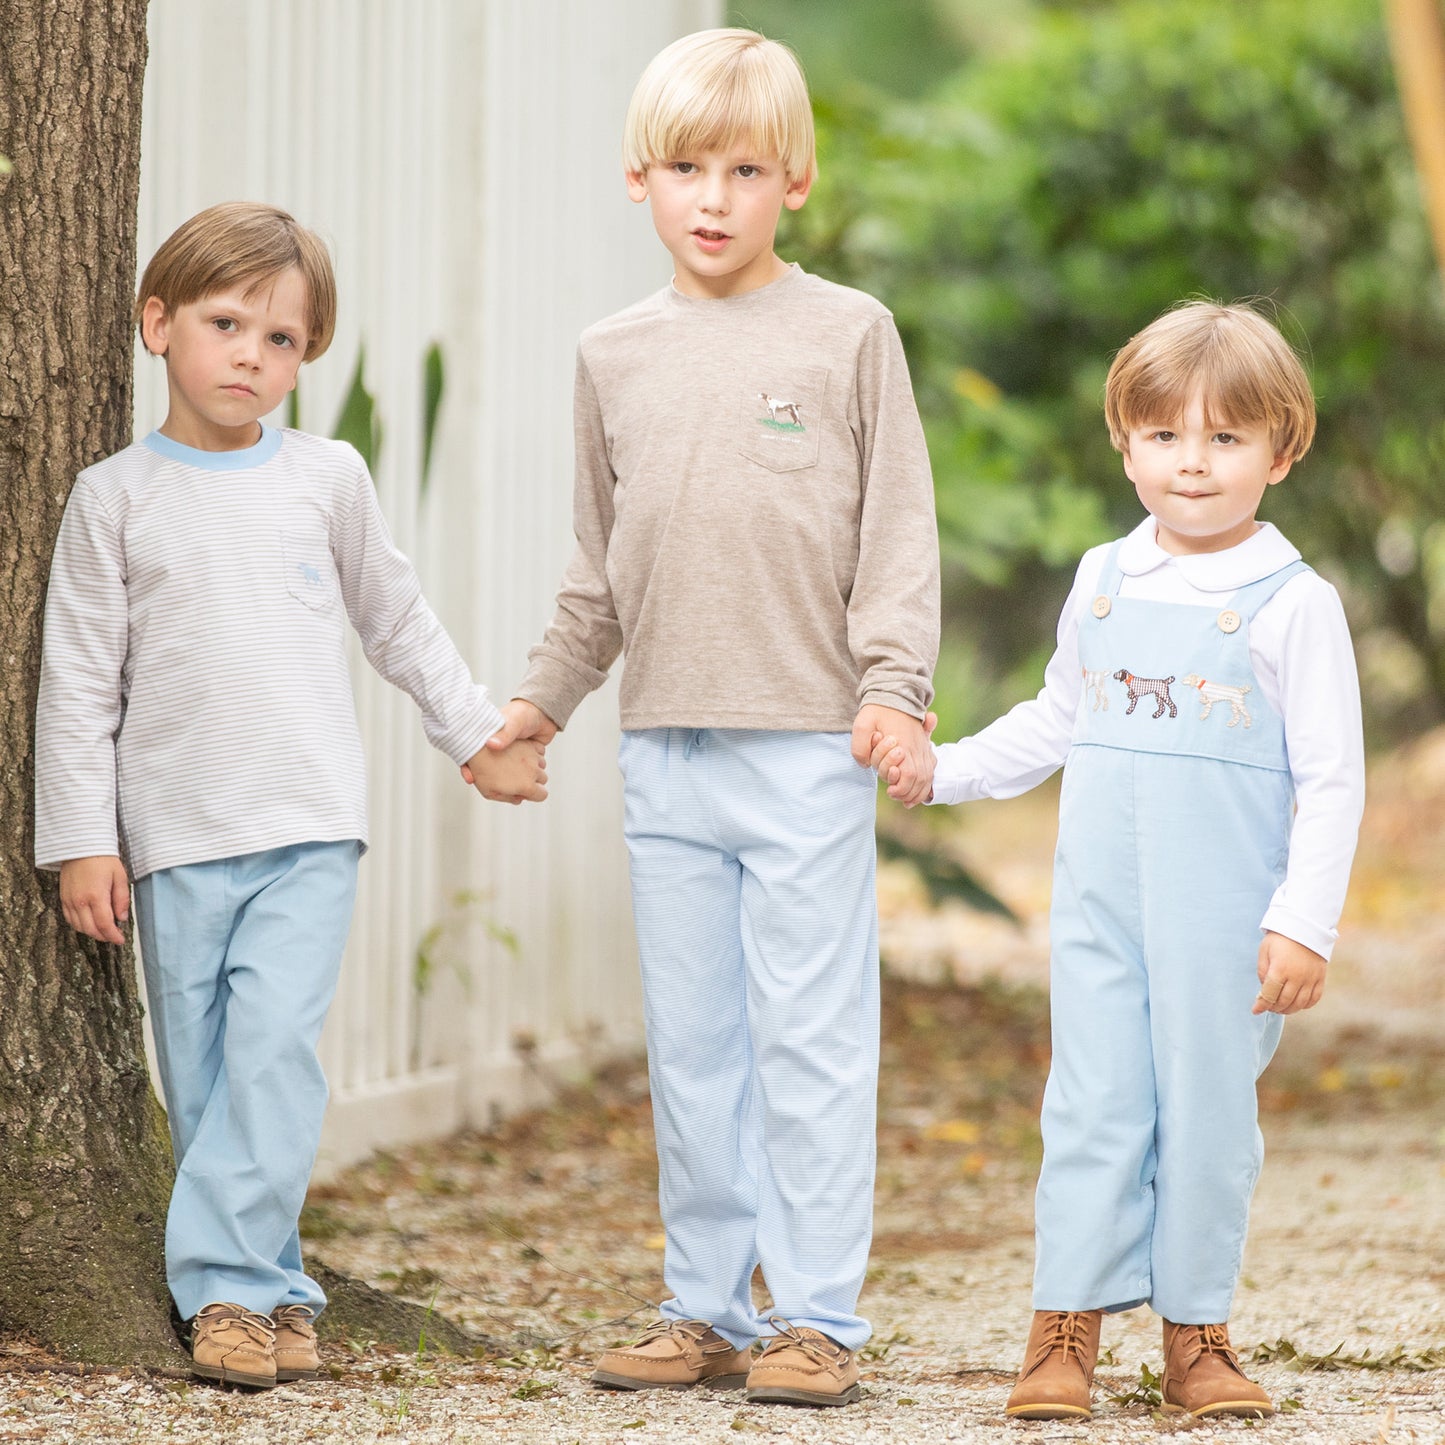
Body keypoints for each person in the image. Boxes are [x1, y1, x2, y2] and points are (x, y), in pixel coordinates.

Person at [472, 28, 940, 1409]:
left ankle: (815, 1317)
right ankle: (703, 1306)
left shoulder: (848, 332)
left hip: (807, 747)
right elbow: (596, 568)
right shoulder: (611, 353)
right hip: (665, 750)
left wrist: (891, 692)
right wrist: (535, 708)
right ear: (640, 179)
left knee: (809, 1041)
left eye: (745, 167)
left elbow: (897, 539)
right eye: (687, 166)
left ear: (794, 180)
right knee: (694, 1046)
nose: (715, 195)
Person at [34, 202, 547, 1389]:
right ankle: (278, 1281)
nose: (251, 356)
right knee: (206, 1077)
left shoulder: (329, 476)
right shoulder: (113, 496)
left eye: (282, 340)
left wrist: (475, 734)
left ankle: (221, 1290)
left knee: (272, 1056)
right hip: (169, 836)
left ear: (304, 358)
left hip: (308, 825)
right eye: (226, 324)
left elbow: (397, 621)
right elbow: (76, 681)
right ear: (158, 323)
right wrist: (80, 841)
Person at [874, 300, 1363, 1420]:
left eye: (1224, 439)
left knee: (1203, 1109)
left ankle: (1196, 1330)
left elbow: (1332, 779)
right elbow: (1056, 718)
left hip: (1224, 927)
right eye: (1165, 436)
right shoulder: (1102, 577)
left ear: (1278, 451)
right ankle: (1064, 1326)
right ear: (1123, 440)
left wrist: (1302, 922)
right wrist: (940, 769)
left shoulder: (1291, 605)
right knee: (1090, 1102)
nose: (1191, 464)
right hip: (1100, 909)